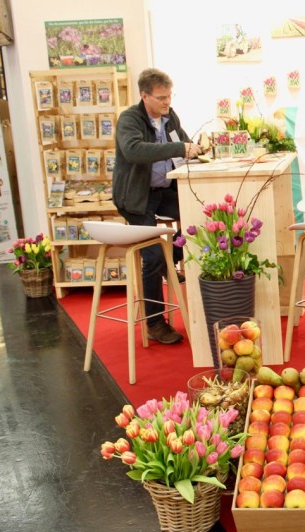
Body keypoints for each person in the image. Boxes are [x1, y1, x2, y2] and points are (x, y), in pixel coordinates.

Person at [113, 68, 202, 344]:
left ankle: (169, 258)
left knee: (201, 216)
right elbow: (134, 151)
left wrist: (198, 150)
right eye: (161, 98)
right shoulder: (129, 119)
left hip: (164, 192)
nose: (167, 102)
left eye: (169, 96)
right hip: (136, 197)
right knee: (151, 258)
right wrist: (180, 149)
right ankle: (154, 323)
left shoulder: (169, 117)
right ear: (145, 96)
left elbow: (183, 144)